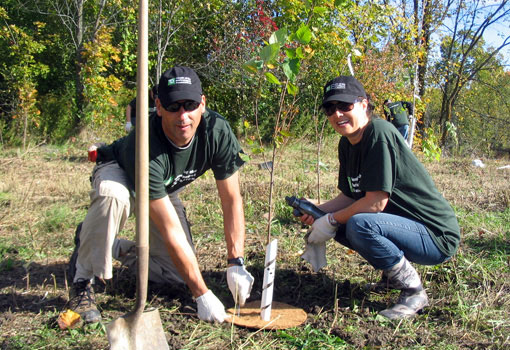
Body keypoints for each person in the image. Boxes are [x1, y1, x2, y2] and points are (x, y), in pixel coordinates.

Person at [68, 66, 254, 324]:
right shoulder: (144, 144)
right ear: (158, 105)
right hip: (121, 170)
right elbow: (170, 230)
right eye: (173, 106)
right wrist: (202, 294)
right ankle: (82, 279)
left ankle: (105, 243)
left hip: (162, 187)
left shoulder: (217, 132)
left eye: (189, 105)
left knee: (176, 275)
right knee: (114, 197)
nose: (183, 116)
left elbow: (232, 200)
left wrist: (236, 261)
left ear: (202, 103)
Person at [298, 76, 460, 319]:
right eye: (330, 108)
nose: (337, 114)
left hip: (435, 235)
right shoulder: (347, 143)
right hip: (404, 227)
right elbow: (351, 197)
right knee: (342, 223)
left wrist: (330, 220)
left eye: (345, 106)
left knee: (356, 223)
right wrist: (317, 210)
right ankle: (392, 277)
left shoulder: (378, 132)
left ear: (364, 104)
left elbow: (375, 203)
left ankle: (413, 291)